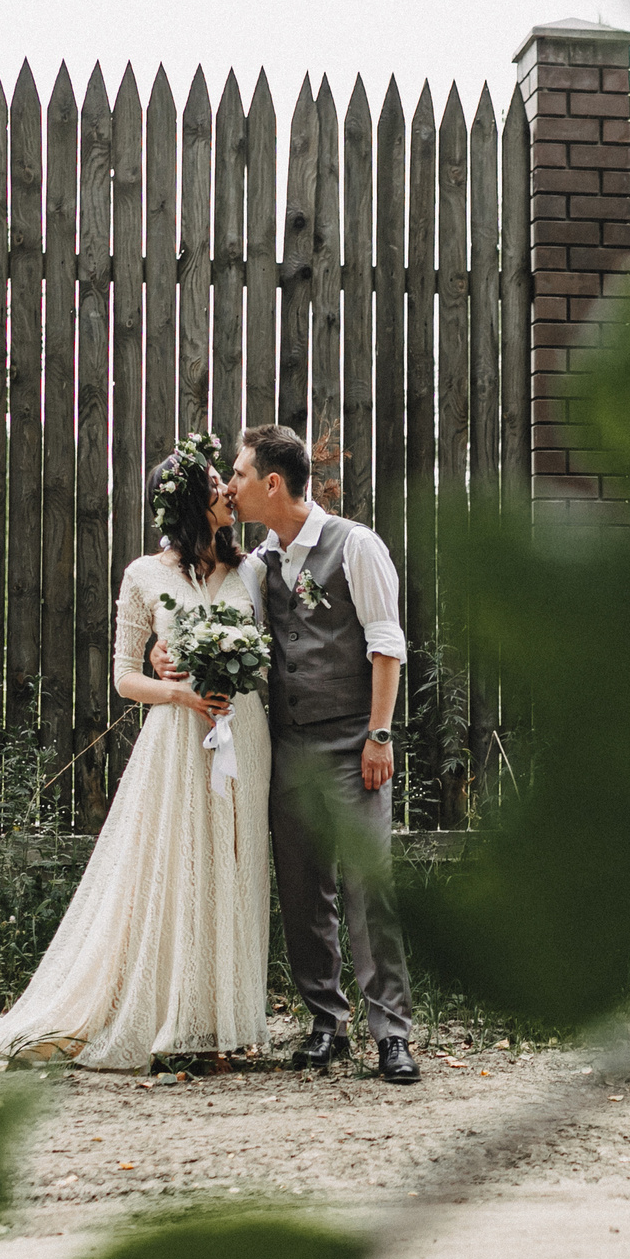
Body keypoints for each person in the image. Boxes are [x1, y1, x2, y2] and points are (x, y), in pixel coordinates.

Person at [0, 431, 272, 1072]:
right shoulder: (143, 576)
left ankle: (224, 1020)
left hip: (244, 734)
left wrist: (234, 679)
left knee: (234, 867)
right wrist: (178, 694)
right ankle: (178, 1019)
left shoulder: (252, 570)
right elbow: (125, 677)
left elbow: (271, 649)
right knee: (181, 870)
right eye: (214, 485)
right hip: (180, 740)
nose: (228, 491)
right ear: (185, 502)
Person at [163, 423, 421, 1085]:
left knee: (369, 888)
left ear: (272, 483)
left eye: (240, 476)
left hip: (355, 741)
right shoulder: (259, 566)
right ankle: (325, 1024)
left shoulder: (356, 546)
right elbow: (211, 613)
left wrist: (380, 734)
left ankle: (391, 1031)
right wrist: (165, 652)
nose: (233, 486)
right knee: (305, 891)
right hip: (291, 747)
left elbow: (387, 645)